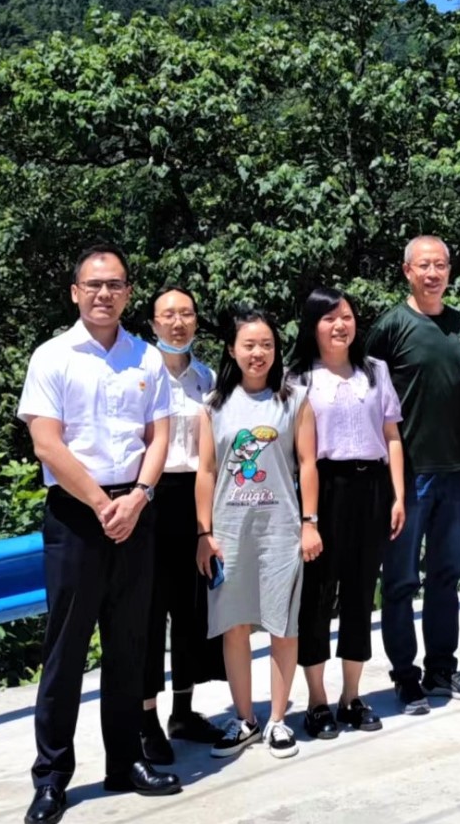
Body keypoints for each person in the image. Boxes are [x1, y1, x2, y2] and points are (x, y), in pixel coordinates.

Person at [17, 243, 180, 824]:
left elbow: (159, 436)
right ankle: (52, 776)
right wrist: (101, 502)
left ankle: (125, 760)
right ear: (75, 292)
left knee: (130, 642)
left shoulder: (146, 358)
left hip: (135, 510)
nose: (104, 294)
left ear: (128, 292)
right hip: (77, 514)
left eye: (114, 285)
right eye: (94, 285)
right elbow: (47, 443)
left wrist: (138, 496)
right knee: (65, 649)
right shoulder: (53, 356)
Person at [196, 307, 320, 760]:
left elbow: (307, 463)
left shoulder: (294, 399)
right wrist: (204, 533)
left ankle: (278, 720)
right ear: (232, 350)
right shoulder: (213, 405)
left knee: (283, 624)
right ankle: (245, 719)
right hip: (229, 531)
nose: (258, 353)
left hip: (280, 529)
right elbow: (206, 470)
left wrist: (310, 523)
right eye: (249, 344)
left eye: (266, 344)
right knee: (235, 625)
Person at [369, 237, 460, 715]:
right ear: (407, 271)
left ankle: (441, 668)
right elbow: (367, 397)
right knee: (400, 580)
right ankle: (405, 676)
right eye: (424, 266)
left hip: (455, 470)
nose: (433, 273)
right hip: (406, 476)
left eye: (440, 264)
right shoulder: (390, 327)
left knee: (446, 575)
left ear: (449, 269)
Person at [292, 288, 406, 738]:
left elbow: (392, 436)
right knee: (317, 597)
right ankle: (317, 701)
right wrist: (308, 519)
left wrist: (397, 495)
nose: (340, 325)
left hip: (372, 488)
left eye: (347, 316)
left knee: (361, 594)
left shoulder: (375, 370)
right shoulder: (298, 378)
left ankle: (352, 697)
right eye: (329, 318)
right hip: (323, 490)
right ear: (313, 325)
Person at [139, 285, 226, 762]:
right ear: (153, 323)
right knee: (150, 612)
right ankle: (147, 719)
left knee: (192, 611)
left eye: (186, 314)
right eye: (168, 315)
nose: (178, 323)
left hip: (195, 495)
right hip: (150, 498)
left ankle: (184, 710)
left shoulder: (206, 378)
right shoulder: (140, 373)